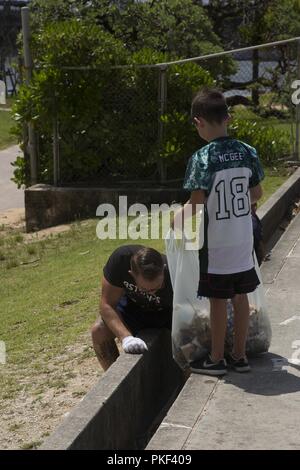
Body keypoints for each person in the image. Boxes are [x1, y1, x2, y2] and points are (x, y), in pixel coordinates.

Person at [173, 87, 264, 376]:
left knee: (217, 301)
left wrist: (177, 218)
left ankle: (216, 358)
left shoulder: (201, 159)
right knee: (241, 297)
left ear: (198, 122)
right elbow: (257, 192)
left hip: (217, 247)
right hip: (243, 241)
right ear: (227, 117)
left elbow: (197, 202)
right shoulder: (247, 151)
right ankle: (239, 356)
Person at [91, 245, 173, 370]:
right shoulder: (120, 261)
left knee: (192, 345)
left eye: (156, 288)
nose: (151, 293)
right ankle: (114, 379)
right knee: (99, 330)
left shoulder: (175, 270)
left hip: (169, 313)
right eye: (145, 289)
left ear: (164, 269)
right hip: (133, 308)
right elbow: (106, 304)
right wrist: (126, 338)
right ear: (131, 274)